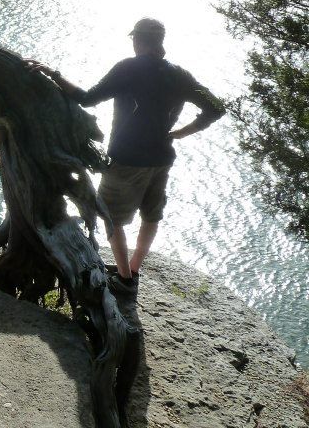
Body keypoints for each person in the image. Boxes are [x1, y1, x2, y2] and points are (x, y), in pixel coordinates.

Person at [27, 18, 225, 297]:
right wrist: (180, 133)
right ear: (161, 41)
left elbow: (86, 98)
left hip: (127, 159)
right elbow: (216, 108)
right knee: (151, 214)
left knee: (110, 216)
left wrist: (53, 74)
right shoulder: (179, 74)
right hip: (162, 158)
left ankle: (124, 278)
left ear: (137, 40)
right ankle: (133, 268)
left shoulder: (128, 68)